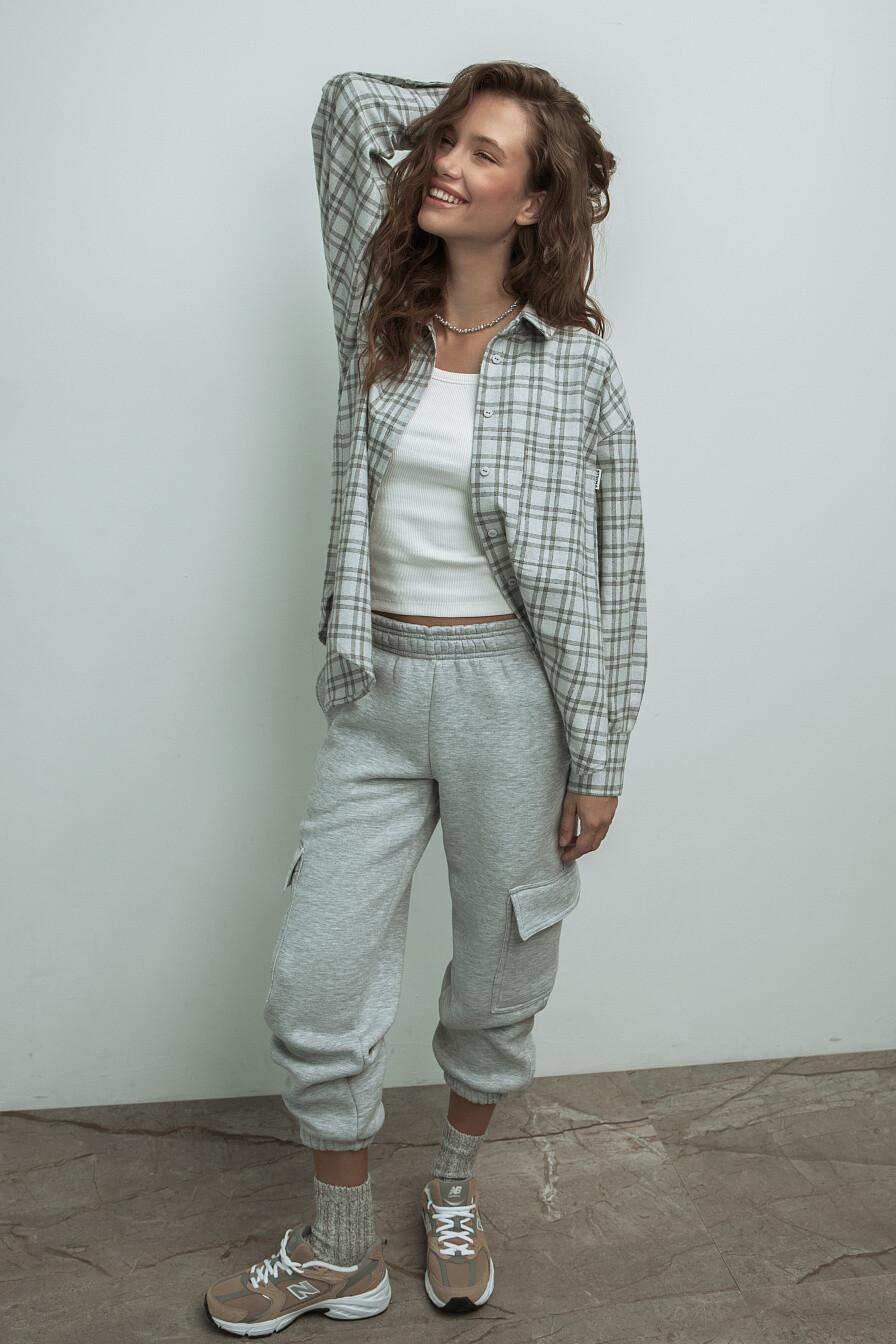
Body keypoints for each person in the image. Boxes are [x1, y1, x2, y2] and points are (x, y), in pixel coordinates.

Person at [205, 61, 647, 1334]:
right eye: (445, 140)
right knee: (315, 978)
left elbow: (617, 578)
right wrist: (482, 102)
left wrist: (600, 758)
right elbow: (348, 106)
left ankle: (452, 1189)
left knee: (500, 974)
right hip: (377, 691)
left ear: (535, 201)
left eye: (486, 154)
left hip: (515, 701)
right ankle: (341, 1250)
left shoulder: (576, 369)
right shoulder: (377, 312)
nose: (447, 163)